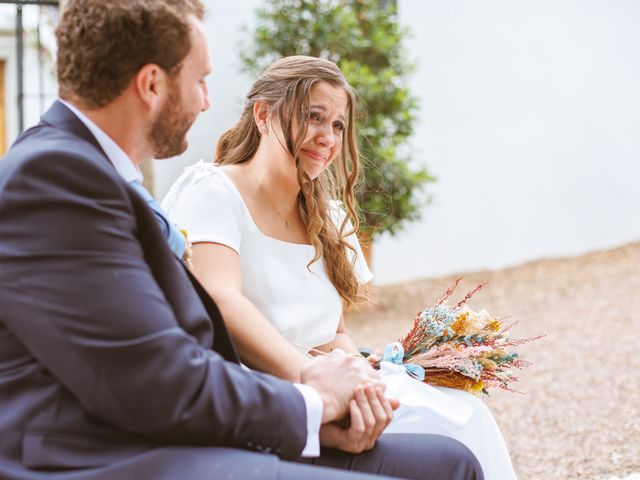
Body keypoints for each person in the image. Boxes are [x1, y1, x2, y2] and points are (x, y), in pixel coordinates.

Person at [0, 1, 483, 480]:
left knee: (453, 462)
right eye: (200, 80)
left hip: (174, 422)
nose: (207, 100)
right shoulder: (56, 178)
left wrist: (329, 403)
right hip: (105, 451)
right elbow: (158, 377)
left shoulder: (94, 174)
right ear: (152, 84)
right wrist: (310, 404)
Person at [162, 55, 516, 479]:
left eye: (337, 125)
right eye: (315, 117)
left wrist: (363, 386)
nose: (327, 136)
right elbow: (220, 299)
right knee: (441, 436)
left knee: (465, 414)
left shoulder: (329, 217)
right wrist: (318, 383)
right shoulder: (214, 191)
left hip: (330, 383)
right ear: (263, 114)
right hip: (265, 395)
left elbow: (334, 334)